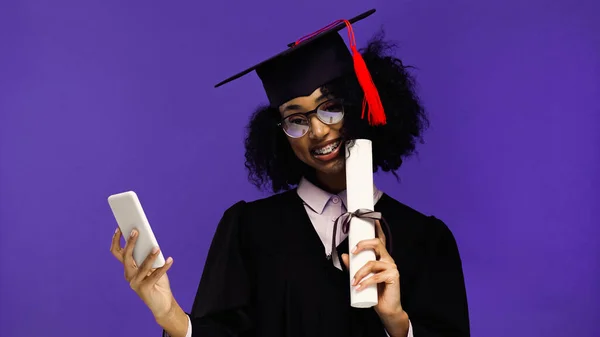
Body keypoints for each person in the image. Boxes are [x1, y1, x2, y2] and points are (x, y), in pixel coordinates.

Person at [110, 8, 470, 337]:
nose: (317, 131)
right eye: (296, 119)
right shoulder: (249, 229)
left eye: (330, 108)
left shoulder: (425, 239)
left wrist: (397, 323)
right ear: (278, 132)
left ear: (359, 106)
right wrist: (169, 314)